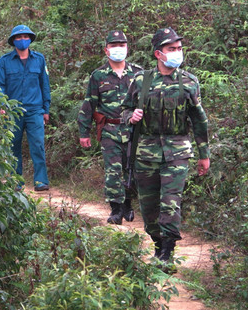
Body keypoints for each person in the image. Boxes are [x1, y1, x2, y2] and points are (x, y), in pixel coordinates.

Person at [125, 27, 210, 267]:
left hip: (178, 152)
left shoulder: (189, 82)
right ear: (158, 54)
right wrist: (131, 116)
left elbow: (199, 120)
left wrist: (205, 155)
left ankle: (168, 251)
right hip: (146, 153)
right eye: (171, 49)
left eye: (179, 49)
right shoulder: (142, 80)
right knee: (149, 207)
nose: (177, 53)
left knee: (170, 203)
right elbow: (123, 110)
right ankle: (157, 244)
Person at [77, 29, 143, 224]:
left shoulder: (138, 73)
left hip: (133, 131)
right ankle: (116, 209)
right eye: (114, 46)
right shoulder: (98, 76)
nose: (118, 49)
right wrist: (84, 132)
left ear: (127, 48)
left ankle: (128, 205)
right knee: (113, 170)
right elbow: (89, 105)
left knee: (131, 169)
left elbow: (146, 102)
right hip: (110, 130)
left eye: (122, 45)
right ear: (107, 50)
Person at [0, 24, 50, 192]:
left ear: (30, 39)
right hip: (13, 111)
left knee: (38, 145)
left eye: (26, 37)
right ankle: (16, 181)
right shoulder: (4, 61)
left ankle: (41, 181)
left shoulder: (39, 59)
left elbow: (44, 85)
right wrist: (1, 105)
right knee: (13, 146)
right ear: (13, 41)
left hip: (35, 110)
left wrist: (46, 109)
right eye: (19, 37)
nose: (22, 40)